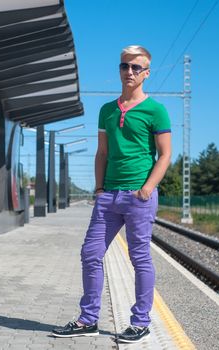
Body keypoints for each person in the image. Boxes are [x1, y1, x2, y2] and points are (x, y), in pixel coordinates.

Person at [52, 45, 171, 343]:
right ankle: (88, 319)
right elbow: (102, 153)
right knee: (90, 253)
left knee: (139, 258)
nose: (129, 72)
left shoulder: (155, 110)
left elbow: (165, 155)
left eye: (136, 68)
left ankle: (140, 322)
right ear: (119, 69)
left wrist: (146, 189)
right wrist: (99, 189)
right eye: (124, 66)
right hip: (108, 196)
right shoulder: (107, 110)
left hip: (138, 196)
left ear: (146, 73)